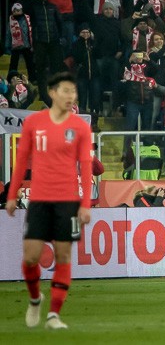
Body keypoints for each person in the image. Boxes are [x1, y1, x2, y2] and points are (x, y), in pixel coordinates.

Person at [5, 72, 93, 330]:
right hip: (40, 200)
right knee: (30, 257)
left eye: (73, 91)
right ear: (52, 93)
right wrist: (12, 195)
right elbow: (22, 159)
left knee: (63, 256)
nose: (71, 96)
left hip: (68, 201)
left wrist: (85, 203)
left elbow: (86, 165)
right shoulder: (34, 122)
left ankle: (54, 314)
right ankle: (35, 299)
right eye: (66, 91)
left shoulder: (80, 127)